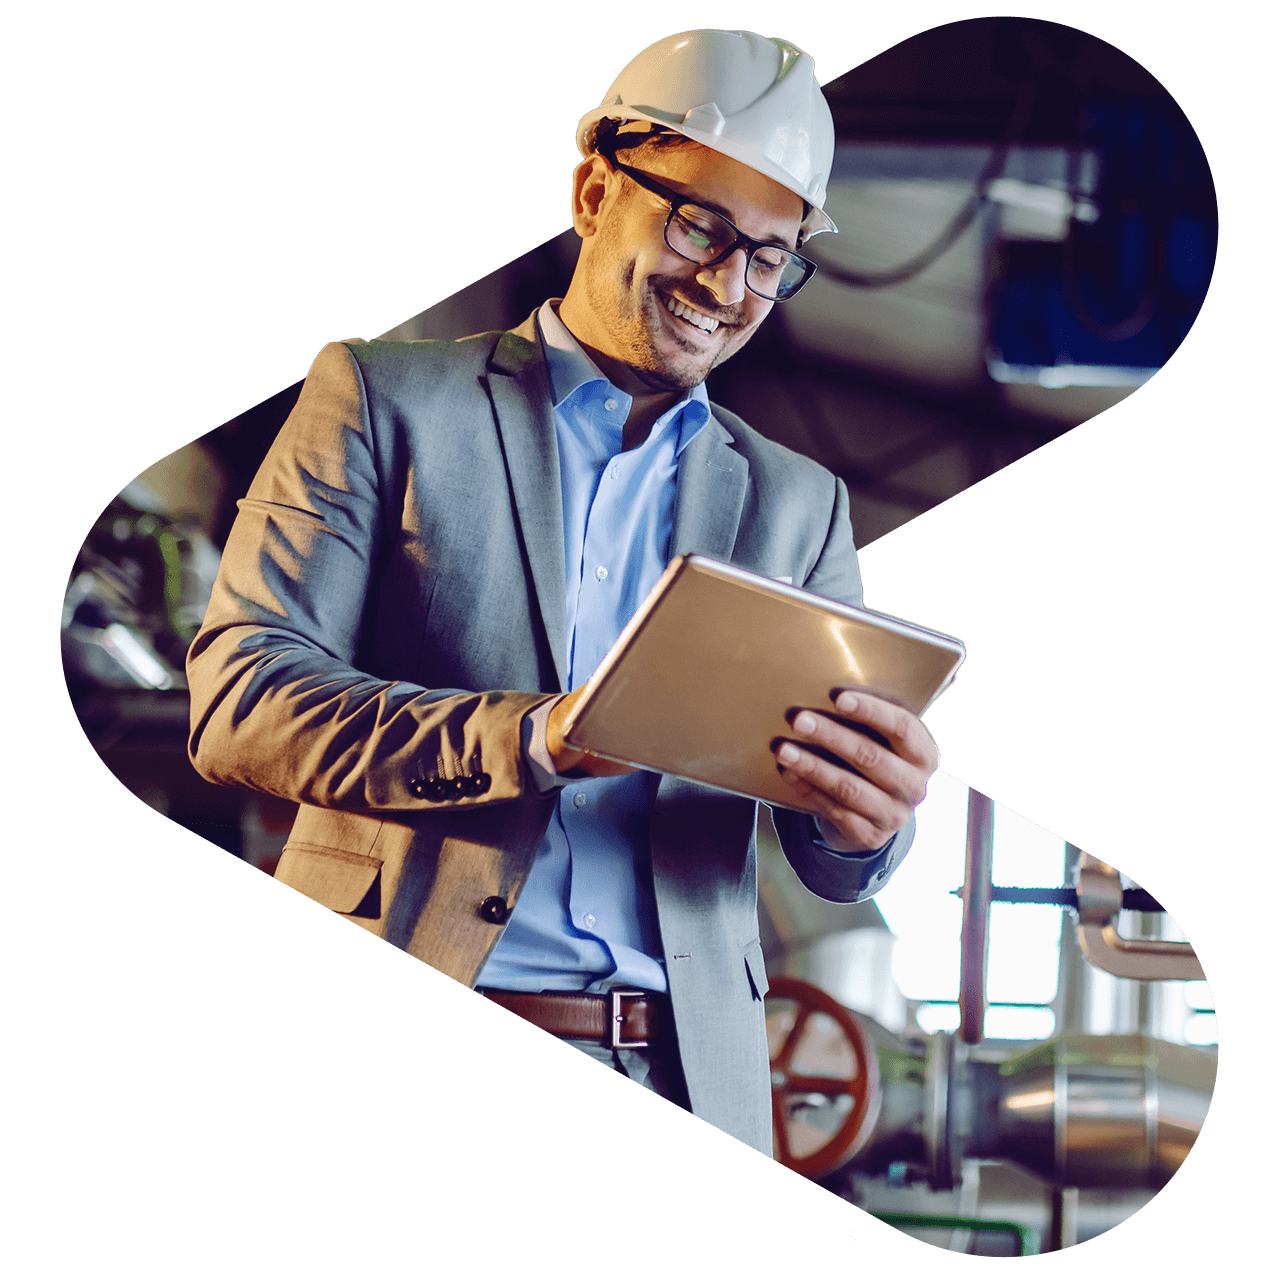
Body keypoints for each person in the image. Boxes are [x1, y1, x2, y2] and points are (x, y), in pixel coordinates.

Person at [186, 29, 941, 1157]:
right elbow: (236, 705)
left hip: (691, 1074)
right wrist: (533, 737)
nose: (725, 285)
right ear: (594, 190)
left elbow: (824, 855)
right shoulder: (383, 399)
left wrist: (866, 822)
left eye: (770, 257)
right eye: (697, 223)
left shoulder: (800, 505)